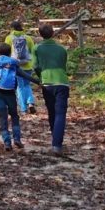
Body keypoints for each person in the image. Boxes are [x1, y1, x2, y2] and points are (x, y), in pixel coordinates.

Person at [0, 43, 40, 151]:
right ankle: (17, 139)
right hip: (10, 93)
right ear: (10, 52)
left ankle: (7, 142)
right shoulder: (13, 64)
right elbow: (24, 75)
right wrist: (37, 81)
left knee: (3, 118)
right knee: (14, 116)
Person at [34, 24, 70, 157]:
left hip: (47, 83)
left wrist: (41, 76)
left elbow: (35, 66)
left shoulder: (37, 48)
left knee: (52, 112)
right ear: (53, 33)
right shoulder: (62, 49)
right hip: (62, 82)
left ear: (40, 34)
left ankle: (55, 142)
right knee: (61, 114)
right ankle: (57, 144)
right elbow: (64, 65)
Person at [5, 19, 37, 114]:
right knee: (27, 85)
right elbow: (33, 50)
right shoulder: (28, 38)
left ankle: (23, 108)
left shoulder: (9, 38)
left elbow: (6, 51)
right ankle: (30, 102)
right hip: (27, 65)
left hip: (16, 66)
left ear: (12, 28)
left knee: (20, 86)